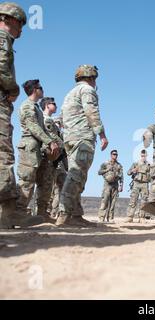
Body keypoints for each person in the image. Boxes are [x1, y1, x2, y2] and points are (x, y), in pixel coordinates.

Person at [0, 2, 43, 228]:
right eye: (21, 25)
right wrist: (12, 89)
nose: (21, 31)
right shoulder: (3, 37)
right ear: (11, 20)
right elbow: (2, 65)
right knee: (3, 155)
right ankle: (8, 213)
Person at [56, 65, 108, 228]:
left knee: (76, 174)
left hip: (70, 138)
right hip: (82, 137)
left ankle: (76, 215)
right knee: (77, 175)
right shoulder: (87, 90)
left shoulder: (70, 94)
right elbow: (91, 112)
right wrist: (101, 134)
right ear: (91, 77)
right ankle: (64, 215)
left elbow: (62, 119)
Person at [16, 80, 60, 223]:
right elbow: (33, 127)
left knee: (44, 182)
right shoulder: (27, 106)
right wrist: (50, 141)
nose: (43, 90)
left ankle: (42, 213)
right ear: (35, 90)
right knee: (27, 180)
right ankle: (18, 212)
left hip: (38, 148)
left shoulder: (36, 108)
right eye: (41, 88)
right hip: (29, 146)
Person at [40, 98, 66, 219]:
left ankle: (45, 212)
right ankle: (41, 212)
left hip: (55, 157)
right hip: (48, 155)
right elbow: (51, 137)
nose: (55, 105)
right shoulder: (45, 119)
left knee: (49, 185)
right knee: (45, 185)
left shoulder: (50, 120)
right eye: (53, 104)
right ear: (46, 105)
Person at [123, 149, 151, 223]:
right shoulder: (136, 163)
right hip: (136, 183)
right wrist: (133, 170)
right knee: (133, 200)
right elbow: (128, 172)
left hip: (145, 184)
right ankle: (130, 217)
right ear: (140, 156)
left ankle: (142, 217)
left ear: (146, 156)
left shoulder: (149, 165)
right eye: (142, 156)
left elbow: (152, 175)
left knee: (144, 201)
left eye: (144, 156)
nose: (143, 157)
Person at [98, 150, 124, 223]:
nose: (115, 156)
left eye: (116, 154)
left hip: (115, 185)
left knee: (113, 202)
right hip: (107, 184)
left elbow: (121, 176)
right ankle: (101, 217)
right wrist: (107, 170)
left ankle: (110, 218)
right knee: (105, 201)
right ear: (111, 155)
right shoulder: (105, 163)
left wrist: (121, 186)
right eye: (113, 154)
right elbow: (99, 172)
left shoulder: (119, 165)